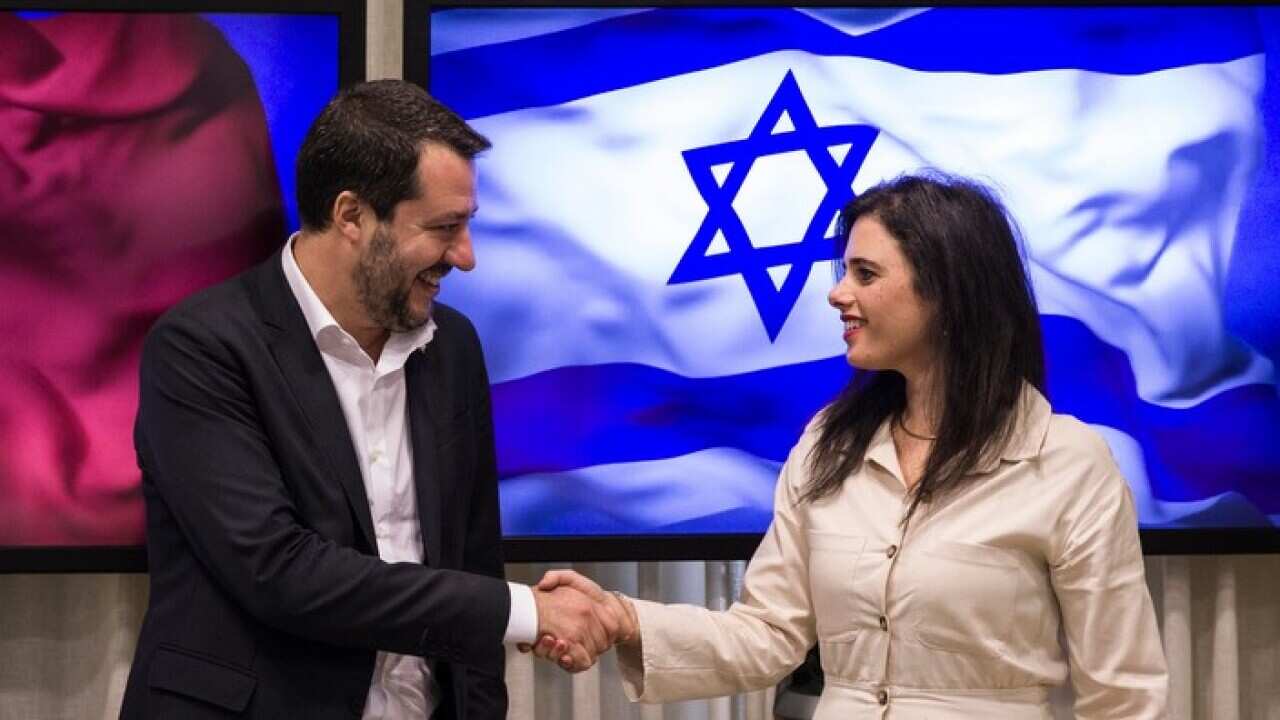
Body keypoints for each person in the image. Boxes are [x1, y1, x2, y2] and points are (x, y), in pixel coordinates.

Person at [530, 173, 1170, 718]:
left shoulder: (1067, 462)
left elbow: (1124, 694)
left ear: (948, 294)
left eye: (865, 273)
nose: (839, 293)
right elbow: (768, 633)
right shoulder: (824, 444)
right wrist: (623, 618)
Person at [120, 80, 624, 720]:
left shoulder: (454, 346)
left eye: (467, 226)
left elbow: (470, 555)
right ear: (352, 216)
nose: (465, 258)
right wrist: (523, 610)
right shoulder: (202, 347)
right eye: (444, 228)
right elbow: (281, 571)